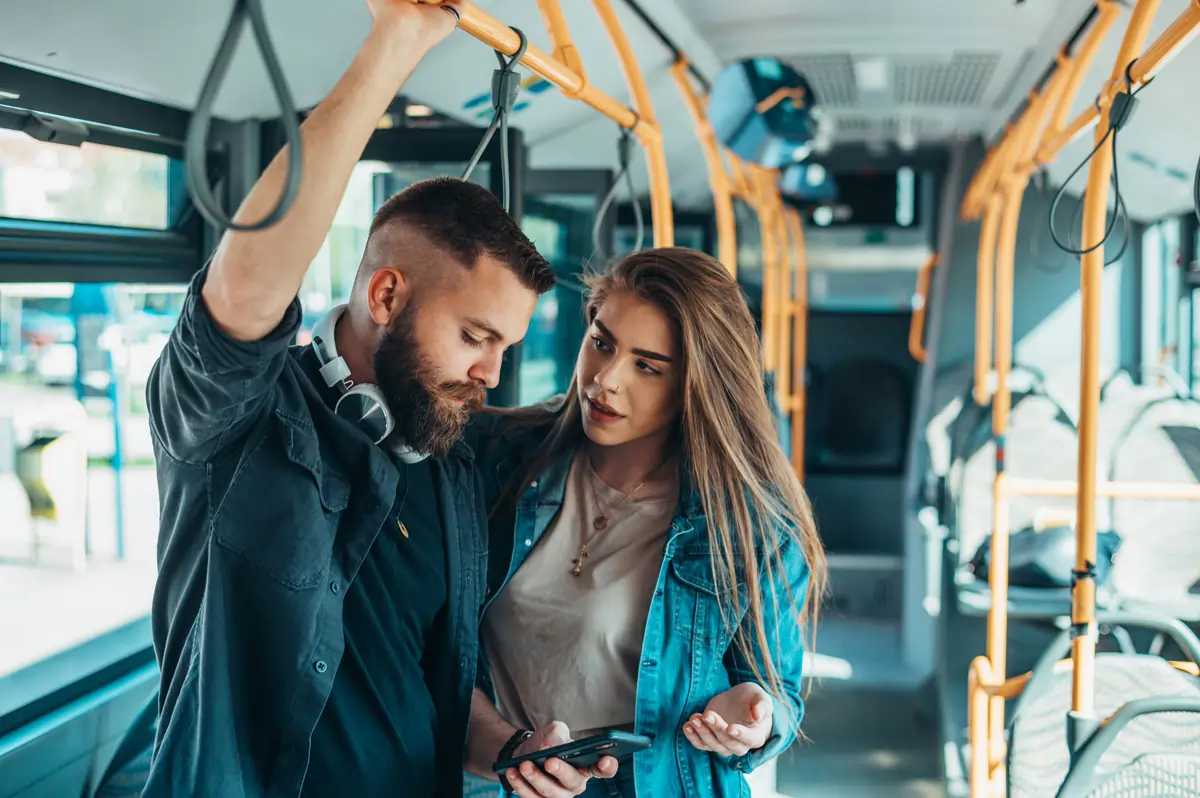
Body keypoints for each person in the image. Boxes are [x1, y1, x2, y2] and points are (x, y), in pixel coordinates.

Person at [139, 2, 594, 796]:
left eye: (505, 348)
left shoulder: (443, 455)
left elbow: (435, 689)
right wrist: (398, 42)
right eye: (475, 336)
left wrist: (509, 748)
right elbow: (245, 285)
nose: (491, 372)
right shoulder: (236, 421)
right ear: (385, 294)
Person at [465, 247, 827, 797]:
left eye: (647, 366)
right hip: (495, 780)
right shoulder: (497, 459)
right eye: (601, 343)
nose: (605, 380)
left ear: (695, 385)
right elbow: (432, 646)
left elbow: (779, 700)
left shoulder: (751, 528)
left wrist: (751, 718)